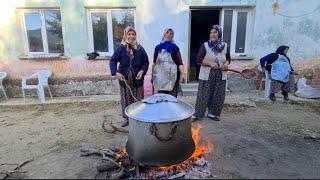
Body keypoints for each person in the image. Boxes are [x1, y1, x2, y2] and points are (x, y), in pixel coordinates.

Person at [109, 27, 149, 127]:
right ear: (125, 35)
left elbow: (146, 62)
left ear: (135, 36)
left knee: (138, 98)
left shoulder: (140, 48)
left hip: (137, 79)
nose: (131, 36)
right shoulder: (121, 48)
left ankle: (138, 118)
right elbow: (112, 61)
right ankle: (127, 118)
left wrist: (142, 70)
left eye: (133, 34)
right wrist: (115, 72)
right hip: (124, 78)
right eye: (129, 34)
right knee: (126, 98)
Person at [192, 25, 231, 122]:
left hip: (221, 73)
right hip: (207, 73)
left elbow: (228, 58)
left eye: (215, 32)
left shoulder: (225, 46)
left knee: (218, 94)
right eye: (211, 33)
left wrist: (226, 64)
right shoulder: (205, 45)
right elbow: (199, 59)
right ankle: (198, 114)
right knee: (203, 94)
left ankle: (213, 113)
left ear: (219, 34)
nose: (212, 34)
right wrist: (210, 63)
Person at [152, 28, 186, 97]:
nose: (168, 35)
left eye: (171, 34)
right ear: (164, 34)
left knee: (172, 98)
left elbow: (180, 63)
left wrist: (183, 74)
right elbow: (154, 63)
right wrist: (152, 75)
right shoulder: (158, 48)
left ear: (172, 36)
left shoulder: (175, 48)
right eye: (167, 33)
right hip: (160, 76)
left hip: (172, 76)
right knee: (161, 97)